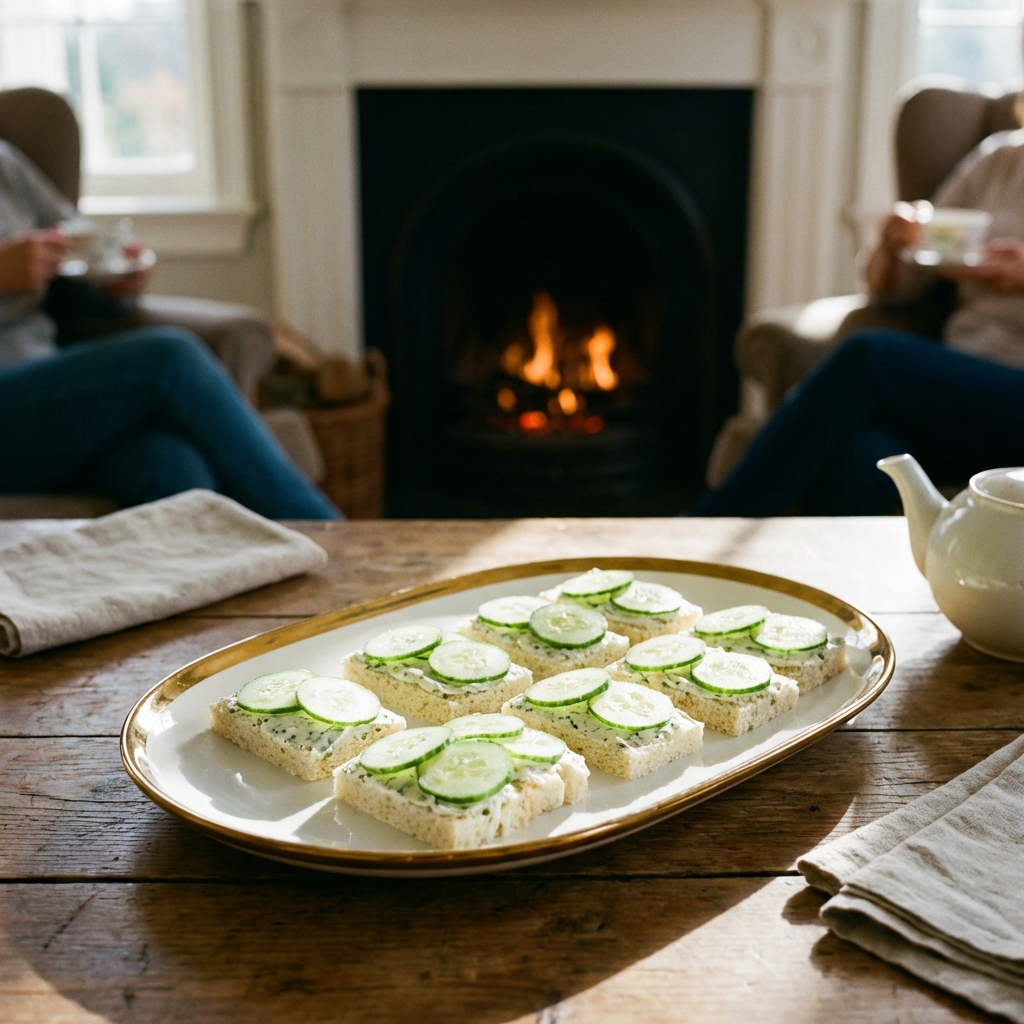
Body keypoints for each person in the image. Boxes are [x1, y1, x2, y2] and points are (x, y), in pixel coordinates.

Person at [691, 104, 1024, 517]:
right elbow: (900, 290)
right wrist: (894, 244)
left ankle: (704, 531)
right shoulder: (1002, 159)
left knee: (868, 357)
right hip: (954, 388)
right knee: (860, 456)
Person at [0, 138, 339, 519]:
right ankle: (340, 547)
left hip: (46, 397)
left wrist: (111, 280)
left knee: (173, 464)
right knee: (167, 359)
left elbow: (76, 252)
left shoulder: (5, 162)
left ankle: (264, 574)